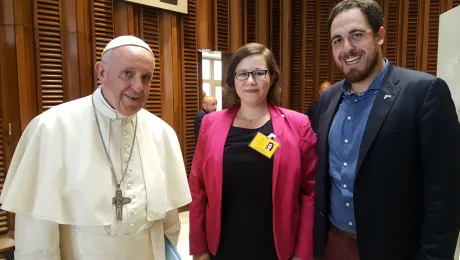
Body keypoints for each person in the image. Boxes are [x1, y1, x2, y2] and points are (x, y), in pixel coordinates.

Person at [0, 35, 192, 259]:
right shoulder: (52, 127)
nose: (138, 86)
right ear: (101, 72)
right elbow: (36, 227)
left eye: (146, 77)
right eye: (127, 73)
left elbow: (169, 220)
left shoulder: (161, 132)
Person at [313, 1, 460, 260]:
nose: (347, 48)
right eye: (337, 40)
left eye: (356, 35)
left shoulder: (424, 92)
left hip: (395, 249)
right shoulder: (328, 99)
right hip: (333, 245)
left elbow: (445, 192)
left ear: (380, 35)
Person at [189, 43, 317, 260]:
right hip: (223, 244)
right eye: (242, 74)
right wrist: (199, 247)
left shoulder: (298, 124)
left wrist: (303, 253)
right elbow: (197, 189)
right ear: (233, 79)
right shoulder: (210, 124)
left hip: (278, 246)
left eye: (259, 73)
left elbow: (310, 193)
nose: (250, 81)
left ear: (272, 77)